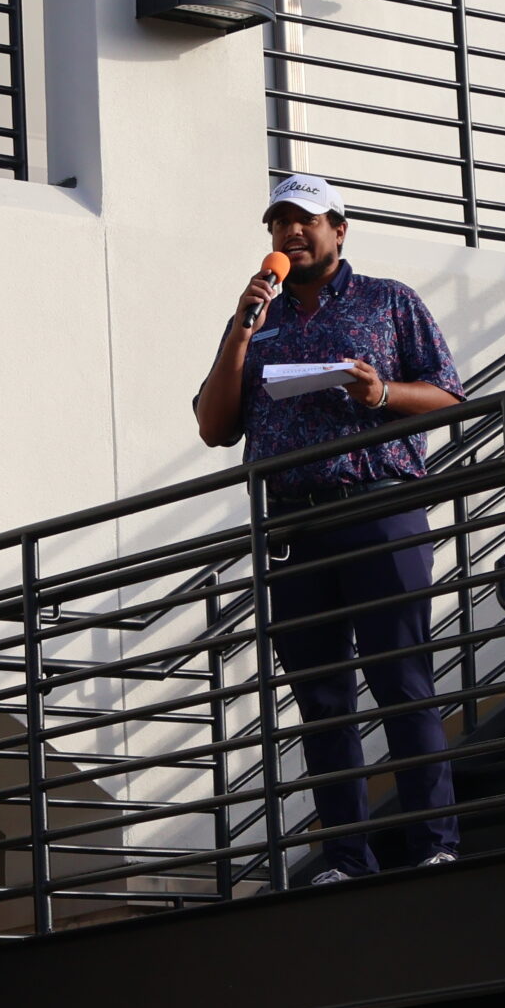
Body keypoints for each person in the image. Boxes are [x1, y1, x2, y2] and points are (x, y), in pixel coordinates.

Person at [194, 174, 467, 882]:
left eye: (306, 220)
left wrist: (381, 391)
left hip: (377, 510)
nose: (291, 232)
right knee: (321, 699)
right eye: (279, 221)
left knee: (400, 678)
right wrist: (241, 328)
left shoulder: (389, 301)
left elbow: (449, 397)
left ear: (338, 230)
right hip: (293, 526)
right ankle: (348, 857)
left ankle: (434, 845)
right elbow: (214, 425)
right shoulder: (256, 318)